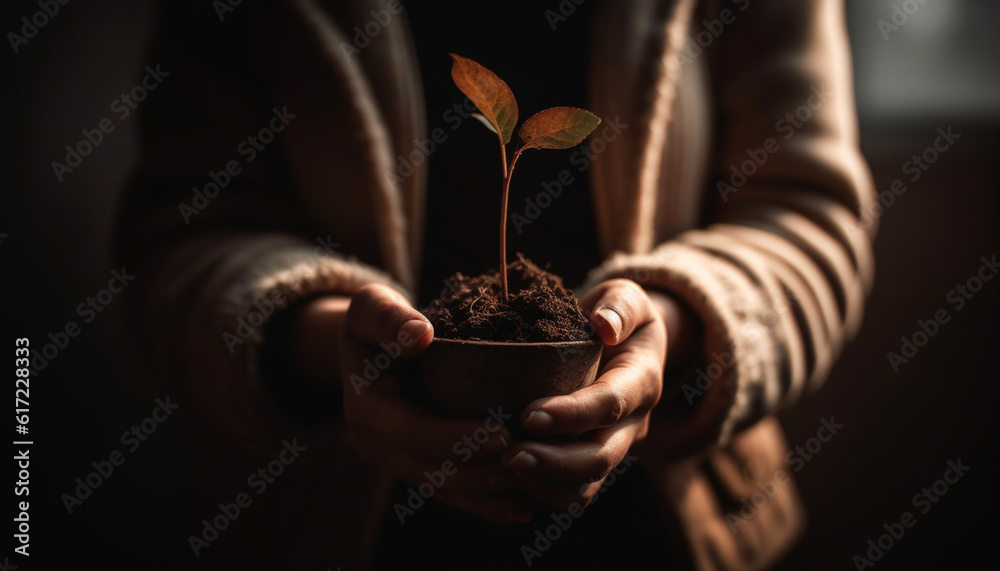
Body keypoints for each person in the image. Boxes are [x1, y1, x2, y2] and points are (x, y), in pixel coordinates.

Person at [116, 0, 875, 568]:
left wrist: (668, 328)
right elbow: (178, 239)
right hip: (330, 522)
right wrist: (325, 341)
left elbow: (807, 218)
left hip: (670, 524)